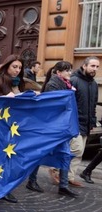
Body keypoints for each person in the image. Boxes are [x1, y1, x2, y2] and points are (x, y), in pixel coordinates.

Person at [0, 54, 27, 202]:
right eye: (14, 67)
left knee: (9, 158)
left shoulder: (17, 83)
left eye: (20, 68)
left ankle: (4, 188)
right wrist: (4, 98)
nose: (17, 70)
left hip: (12, 126)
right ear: (7, 66)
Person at [36, 61, 79, 198]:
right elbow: (53, 105)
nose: (70, 73)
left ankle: (63, 186)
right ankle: (31, 181)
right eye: (67, 71)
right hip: (51, 127)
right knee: (41, 154)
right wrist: (68, 94)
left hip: (62, 127)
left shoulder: (67, 85)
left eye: (70, 70)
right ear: (59, 72)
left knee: (65, 154)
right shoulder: (52, 85)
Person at [71, 57, 100, 184]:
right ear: (84, 66)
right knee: (76, 150)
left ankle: (69, 178)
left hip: (86, 124)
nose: (95, 69)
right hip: (74, 123)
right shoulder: (74, 80)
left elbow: (93, 105)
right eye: (92, 66)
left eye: (97, 67)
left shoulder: (94, 84)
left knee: (80, 152)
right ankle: (58, 172)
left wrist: (92, 122)